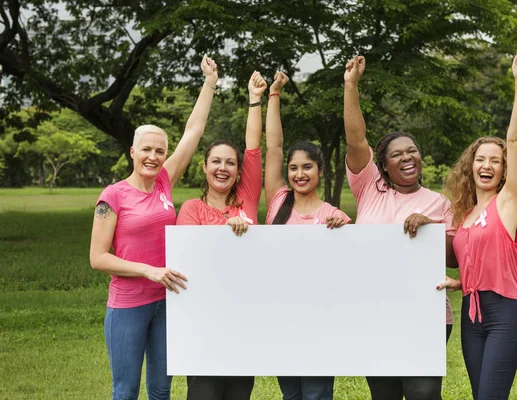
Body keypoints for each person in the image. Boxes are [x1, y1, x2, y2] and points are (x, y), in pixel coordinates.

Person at [89, 55, 218, 400]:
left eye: (159, 151)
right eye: (146, 149)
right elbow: (98, 258)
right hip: (128, 306)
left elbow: (193, 132)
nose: (154, 156)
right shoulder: (113, 195)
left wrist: (209, 83)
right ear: (132, 151)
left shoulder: (163, 183)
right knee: (126, 390)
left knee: (162, 390)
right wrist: (149, 270)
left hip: (167, 303)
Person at [343, 55, 457, 400]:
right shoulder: (369, 188)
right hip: (374, 312)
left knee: (424, 394)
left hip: (426, 316)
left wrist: (431, 227)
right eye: (397, 154)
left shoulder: (440, 203)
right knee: (384, 396)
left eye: (413, 151)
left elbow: (454, 259)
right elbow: (356, 139)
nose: (407, 157)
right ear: (383, 166)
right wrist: (351, 86)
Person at [443, 41, 517, 400]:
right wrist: (461, 281)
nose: (487, 165)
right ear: (471, 165)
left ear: (503, 171)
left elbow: (514, 140)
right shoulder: (465, 214)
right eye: (480, 159)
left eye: (495, 161)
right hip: (472, 315)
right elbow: (476, 257)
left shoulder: (508, 201)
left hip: (505, 315)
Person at [176, 70, 267, 400]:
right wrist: (224, 231)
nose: (223, 168)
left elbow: (253, 148)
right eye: (216, 161)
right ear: (204, 166)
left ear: (239, 171)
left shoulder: (246, 199)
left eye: (230, 162)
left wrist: (255, 99)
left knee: (239, 393)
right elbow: (190, 258)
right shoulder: (190, 210)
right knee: (204, 392)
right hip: (204, 319)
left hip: (244, 317)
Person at [265, 71, 350, 400]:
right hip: (281, 317)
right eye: (293, 168)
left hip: (320, 321)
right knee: (291, 395)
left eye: (307, 167)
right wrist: (274, 95)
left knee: (315, 394)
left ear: (320, 169)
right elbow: (273, 148)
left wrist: (346, 235)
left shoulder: (335, 216)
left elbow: (350, 267)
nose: (299, 174)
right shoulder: (277, 201)